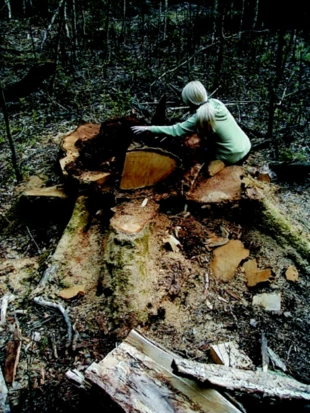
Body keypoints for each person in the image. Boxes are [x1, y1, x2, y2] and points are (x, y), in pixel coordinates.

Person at [131, 81, 251, 165]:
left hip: (231, 155)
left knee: (195, 160)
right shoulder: (216, 103)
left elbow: (175, 130)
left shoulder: (200, 116)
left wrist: (148, 128)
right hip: (246, 146)